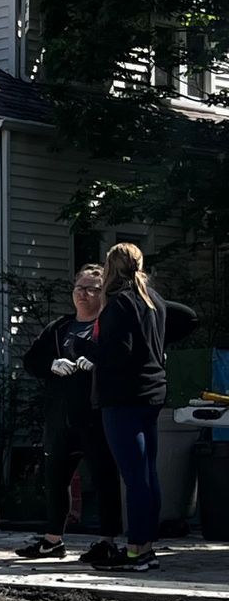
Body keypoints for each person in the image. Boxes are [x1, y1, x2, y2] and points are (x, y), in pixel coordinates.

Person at [89, 243, 198, 571]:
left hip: (122, 398)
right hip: (152, 393)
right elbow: (186, 318)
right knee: (148, 473)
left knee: (134, 476)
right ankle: (146, 547)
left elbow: (116, 353)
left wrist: (83, 349)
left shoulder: (118, 304)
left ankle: (135, 549)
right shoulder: (154, 300)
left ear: (109, 268)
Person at [16, 265, 123, 563]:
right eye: (79, 287)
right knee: (55, 479)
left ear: (103, 293)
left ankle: (107, 540)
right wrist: (51, 365)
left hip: (96, 415)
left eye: (91, 289)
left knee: (104, 478)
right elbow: (31, 360)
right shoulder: (59, 327)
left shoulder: (108, 326)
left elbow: (122, 360)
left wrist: (98, 366)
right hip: (60, 416)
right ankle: (53, 540)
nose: (83, 294)